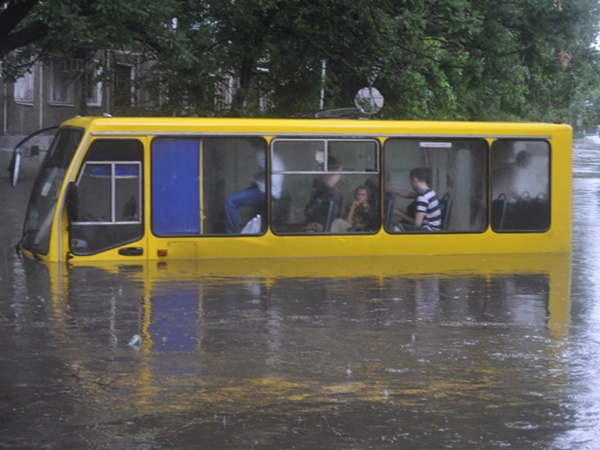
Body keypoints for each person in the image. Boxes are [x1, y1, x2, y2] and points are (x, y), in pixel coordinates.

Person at [225, 150, 284, 234]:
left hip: (266, 191)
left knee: (231, 201)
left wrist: (254, 176)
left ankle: (232, 234)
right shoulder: (275, 155)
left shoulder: (262, 151)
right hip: (270, 191)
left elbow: (267, 167)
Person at [393, 167, 442, 231]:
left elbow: (417, 224)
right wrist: (401, 211)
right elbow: (407, 194)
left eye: (411, 182)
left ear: (414, 180)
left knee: (397, 227)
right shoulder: (431, 192)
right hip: (434, 229)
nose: (411, 184)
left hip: (429, 230)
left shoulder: (423, 197)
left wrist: (400, 214)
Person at [304, 152, 342, 231]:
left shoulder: (334, 188)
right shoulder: (320, 182)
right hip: (316, 221)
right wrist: (339, 169)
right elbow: (327, 184)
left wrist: (339, 169)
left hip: (329, 224)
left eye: (331, 169)